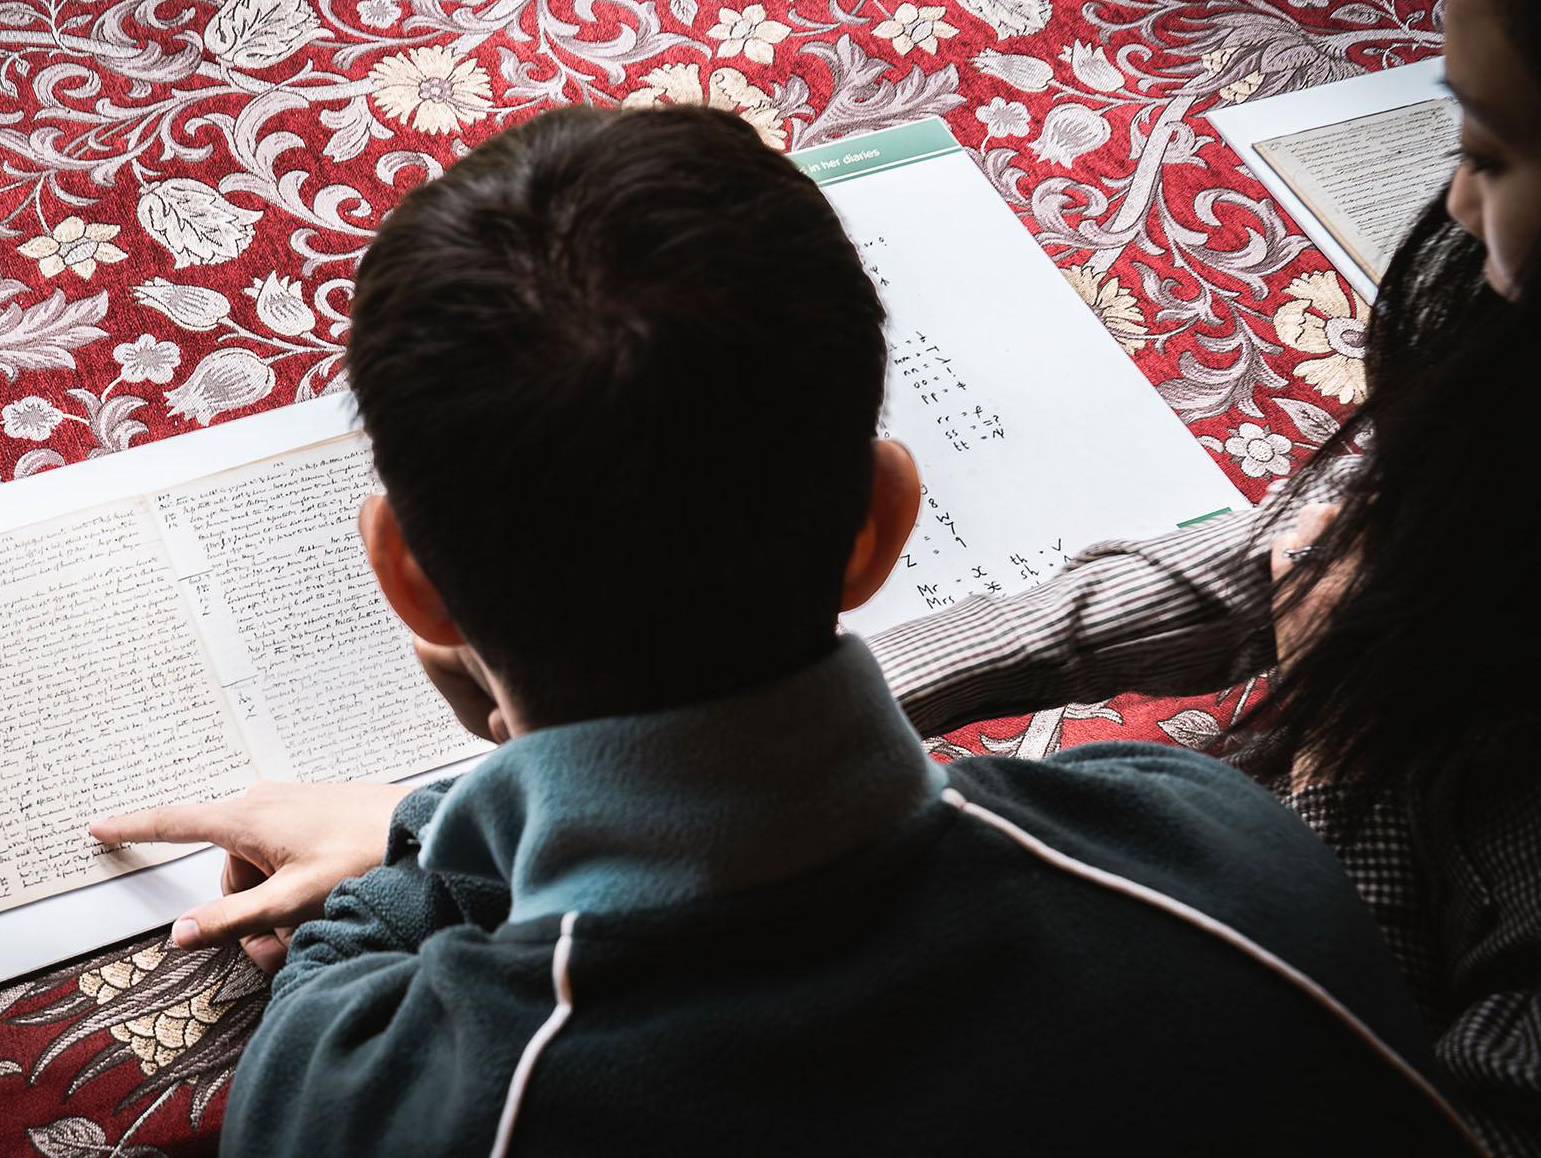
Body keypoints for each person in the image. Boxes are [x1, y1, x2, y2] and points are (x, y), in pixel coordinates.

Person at [95, 106, 1478, 1154]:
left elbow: (347, 977)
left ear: (410, 579)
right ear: (881, 524)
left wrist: (423, 841)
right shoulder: (1224, 866)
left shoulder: (364, 1091)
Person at [866, 0, 1541, 1154]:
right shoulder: (1507, 347)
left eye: (1495, 151)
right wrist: (856, 683)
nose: (1452, 202)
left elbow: (1380, 1104)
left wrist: (1339, 763)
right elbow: (1326, 544)